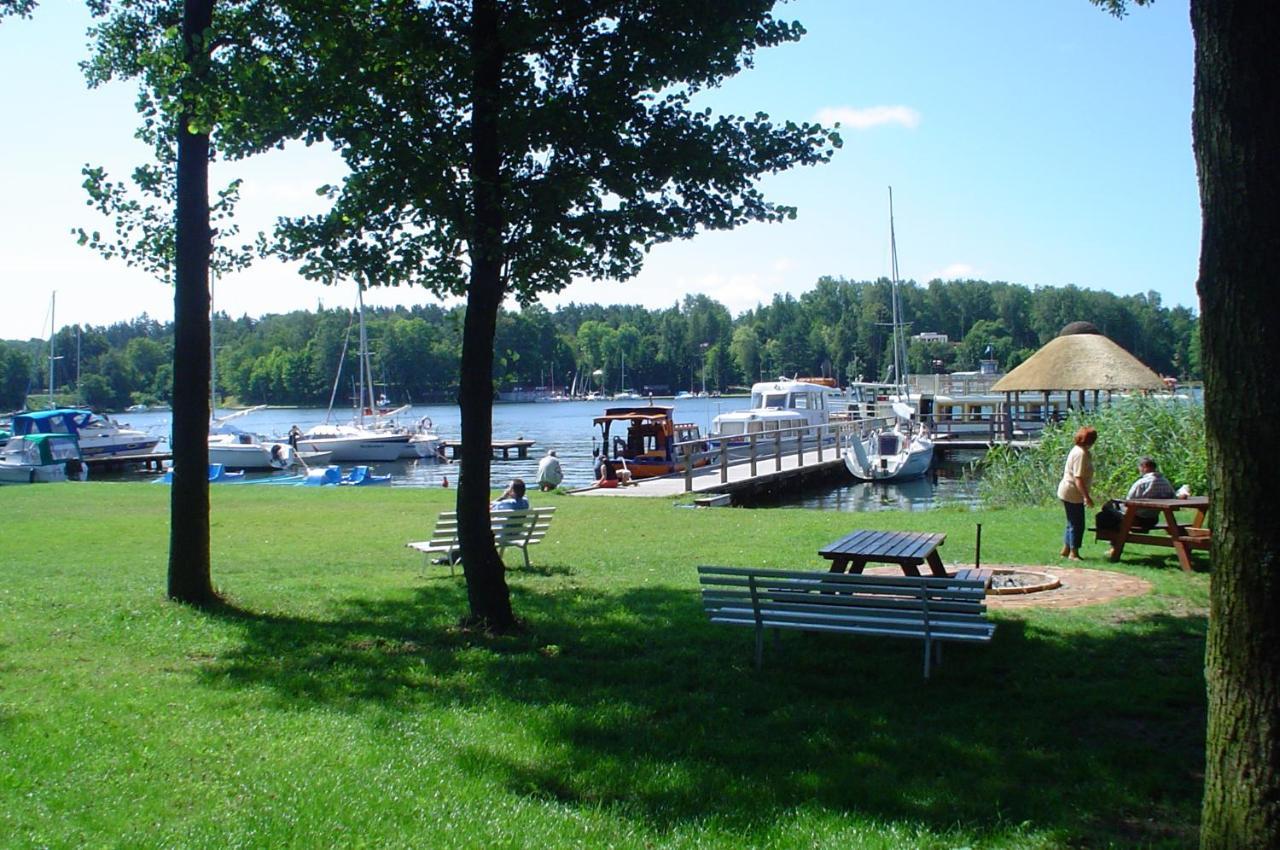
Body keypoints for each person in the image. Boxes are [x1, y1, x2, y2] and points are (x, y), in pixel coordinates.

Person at [1057, 425, 1097, 560]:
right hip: (1072, 492)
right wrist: (1086, 497)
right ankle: (1074, 553)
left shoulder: (1078, 450)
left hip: (1068, 490)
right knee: (1078, 524)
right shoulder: (1081, 454)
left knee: (1071, 522)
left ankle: (1066, 550)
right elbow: (1078, 478)